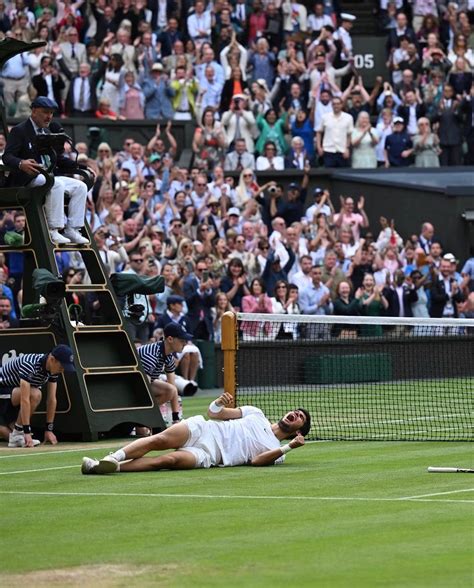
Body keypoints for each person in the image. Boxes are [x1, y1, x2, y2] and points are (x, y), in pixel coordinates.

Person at [81, 392, 311, 473]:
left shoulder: (279, 452)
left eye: (300, 417)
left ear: (297, 431)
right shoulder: (256, 413)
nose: (295, 414)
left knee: (167, 460)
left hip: (210, 455)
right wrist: (219, 403)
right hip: (204, 430)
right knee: (159, 439)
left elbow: (256, 461)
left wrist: (289, 447)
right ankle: (113, 457)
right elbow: (214, 414)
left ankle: (105, 467)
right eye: (295, 411)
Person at [2, 96, 89, 245]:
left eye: (51, 113)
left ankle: (73, 229)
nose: (49, 116)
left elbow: (57, 158)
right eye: (45, 112)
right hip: (27, 178)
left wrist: (82, 167)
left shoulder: (47, 131)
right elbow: (7, 156)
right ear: (34, 111)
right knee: (55, 184)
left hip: (47, 175)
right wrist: (21, 163)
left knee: (80, 186)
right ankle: (53, 229)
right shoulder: (20, 130)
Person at [0, 344, 76, 447]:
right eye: (61, 366)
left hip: (11, 396)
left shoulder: (53, 370)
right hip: (4, 390)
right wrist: (26, 432)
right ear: (52, 359)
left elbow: (51, 400)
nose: (63, 370)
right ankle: (18, 433)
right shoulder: (29, 364)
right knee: (35, 394)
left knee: (11, 437)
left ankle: (17, 434)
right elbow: (25, 399)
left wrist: (49, 429)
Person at [137, 322, 192, 427]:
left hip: (142, 384)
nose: (185, 343)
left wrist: (176, 420)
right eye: (181, 340)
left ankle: (145, 415)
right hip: (132, 386)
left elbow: (173, 388)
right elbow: (143, 387)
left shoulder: (168, 355)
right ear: (170, 339)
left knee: (171, 390)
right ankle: (141, 416)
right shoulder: (151, 355)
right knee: (143, 430)